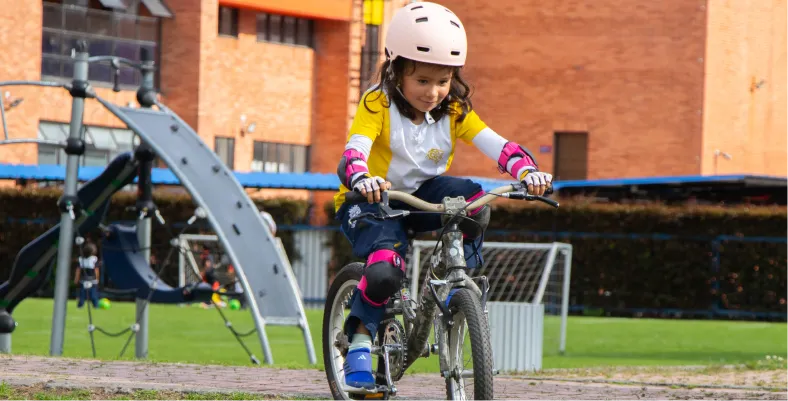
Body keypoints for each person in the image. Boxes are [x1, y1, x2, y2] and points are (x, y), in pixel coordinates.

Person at [332, 1, 554, 390]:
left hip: (420, 196)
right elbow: (355, 149)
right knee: (384, 269)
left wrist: (528, 172)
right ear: (396, 68)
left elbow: (497, 144)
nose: (433, 92)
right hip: (371, 200)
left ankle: (457, 280)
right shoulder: (377, 102)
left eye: (443, 80)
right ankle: (360, 342)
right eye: (422, 81)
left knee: (471, 200)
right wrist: (361, 177)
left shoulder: (454, 110)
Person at [73, 241, 100, 309]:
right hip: (84, 280)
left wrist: (97, 279)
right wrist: (76, 279)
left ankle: (95, 305)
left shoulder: (94, 259)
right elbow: (78, 270)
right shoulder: (81, 259)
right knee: (83, 294)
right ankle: (80, 305)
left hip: (92, 280)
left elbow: (96, 270)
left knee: (93, 294)